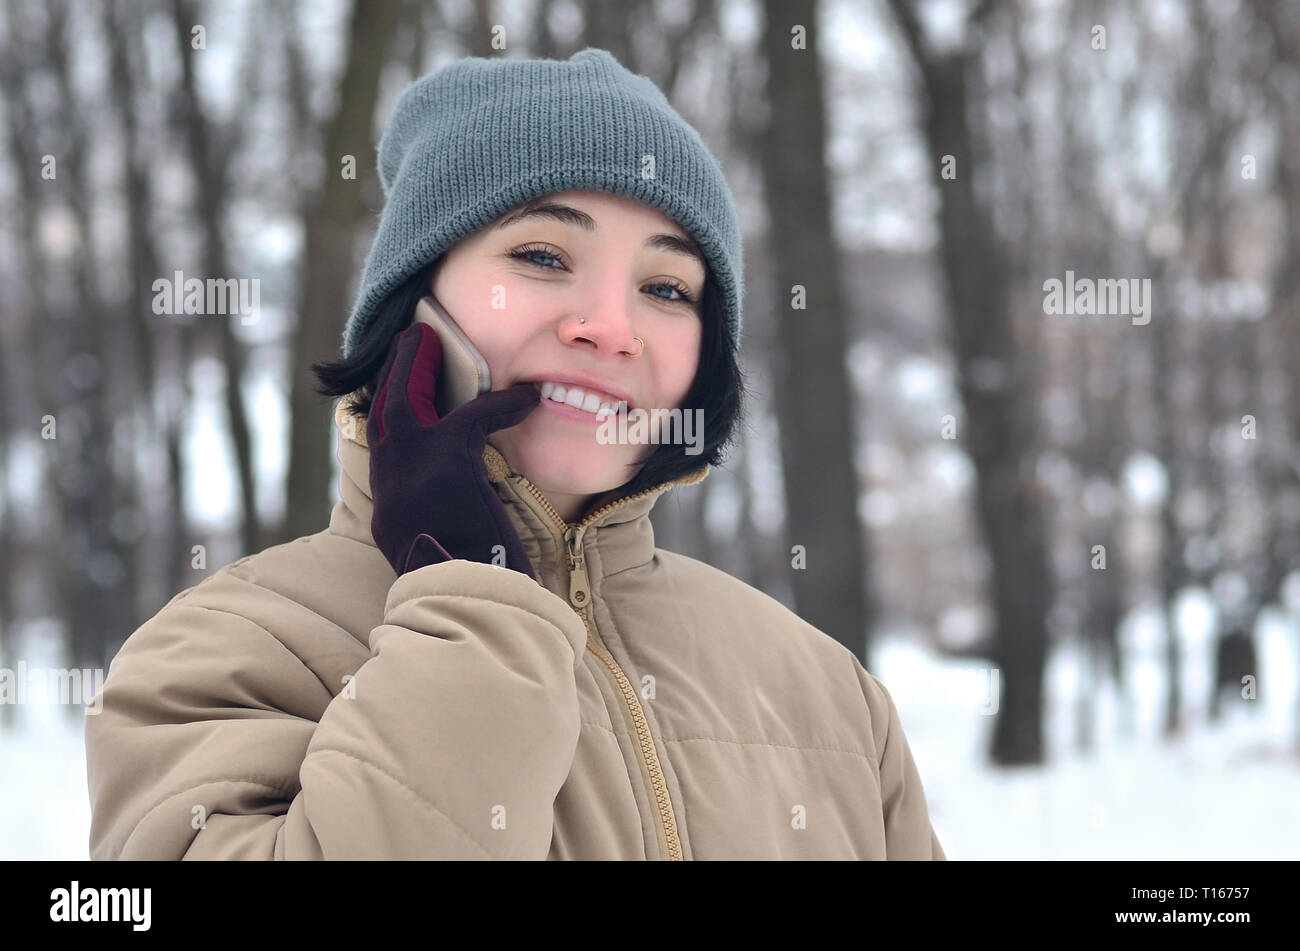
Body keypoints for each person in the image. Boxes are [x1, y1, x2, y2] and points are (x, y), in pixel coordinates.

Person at [85, 47, 945, 860]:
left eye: (665, 287)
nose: (611, 328)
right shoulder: (221, 656)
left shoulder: (831, 695)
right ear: (413, 307)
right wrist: (471, 602)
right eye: (541, 256)